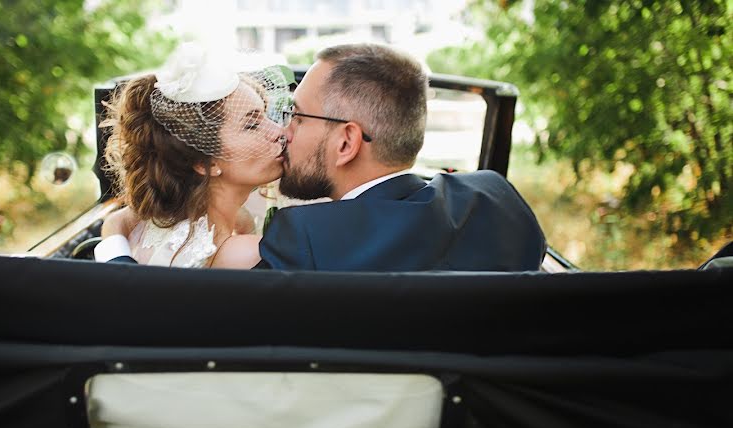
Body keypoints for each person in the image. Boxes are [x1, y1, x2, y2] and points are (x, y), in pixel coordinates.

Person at [254, 43, 546, 271]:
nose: (284, 130)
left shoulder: (305, 239)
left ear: (346, 143)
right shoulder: (498, 203)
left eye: (297, 116)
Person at [93, 43, 287, 269]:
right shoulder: (247, 254)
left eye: (265, 115)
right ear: (204, 163)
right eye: (252, 125)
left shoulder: (148, 229)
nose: (279, 131)